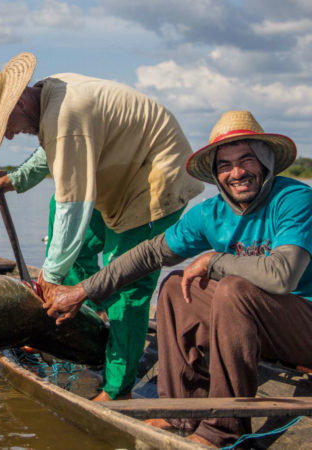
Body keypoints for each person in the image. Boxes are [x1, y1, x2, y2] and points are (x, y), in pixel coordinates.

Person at [45, 110, 312, 447]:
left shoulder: (293, 200)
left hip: (304, 325)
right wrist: (83, 290)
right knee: (174, 285)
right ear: (215, 175)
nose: (238, 172)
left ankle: (223, 428)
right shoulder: (210, 213)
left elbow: (283, 275)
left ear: (266, 162)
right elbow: (148, 254)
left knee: (231, 289)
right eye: (225, 165)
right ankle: (182, 409)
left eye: (248, 160)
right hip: (253, 326)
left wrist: (215, 260)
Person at [0, 52, 203, 401]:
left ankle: (117, 387)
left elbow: (71, 203)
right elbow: (55, 150)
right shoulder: (49, 99)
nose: (10, 137)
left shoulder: (65, 113)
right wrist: (16, 179)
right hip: (118, 173)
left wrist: (51, 276)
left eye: (6, 126)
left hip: (155, 181)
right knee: (72, 254)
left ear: (18, 101)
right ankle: (90, 327)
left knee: (127, 285)